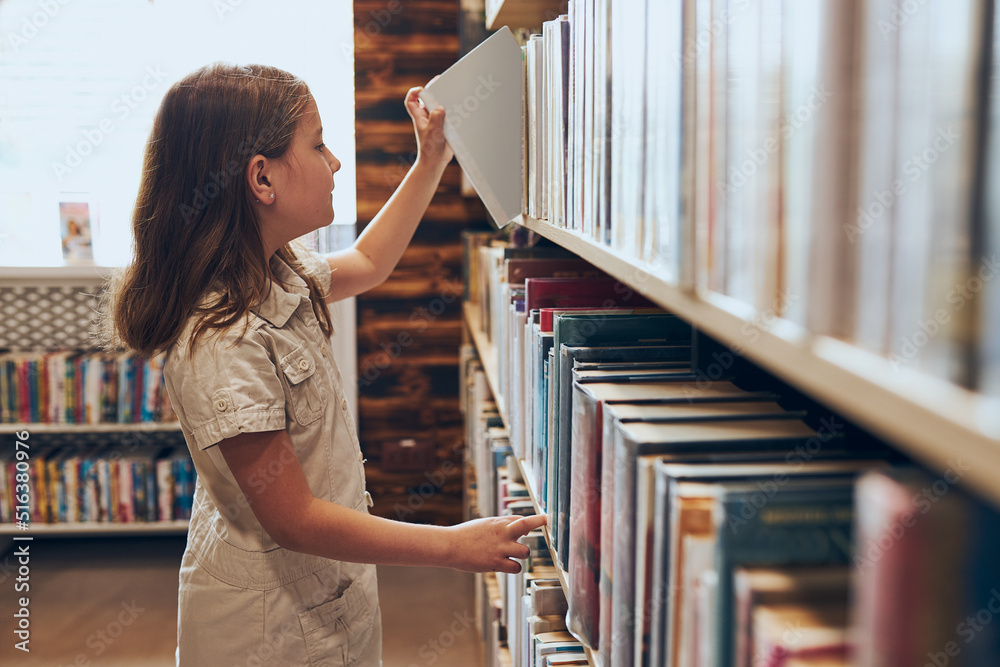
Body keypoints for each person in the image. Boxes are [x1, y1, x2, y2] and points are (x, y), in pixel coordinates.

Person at [103, 63, 545, 666]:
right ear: (262, 178)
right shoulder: (221, 340)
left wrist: (431, 159)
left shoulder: (274, 270)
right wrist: (451, 547)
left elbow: (368, 261)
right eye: (317, 145)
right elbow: (296, 520)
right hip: (268, 630)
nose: (335, 162)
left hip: (321, 595)